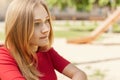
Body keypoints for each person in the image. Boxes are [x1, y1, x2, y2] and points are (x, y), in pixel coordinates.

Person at [0, 0, 87, 80]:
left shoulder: (46, 51)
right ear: (19, 27)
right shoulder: (3, 56)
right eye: (37, 24)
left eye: (47, 20)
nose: (46, 29)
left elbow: (79, 74)